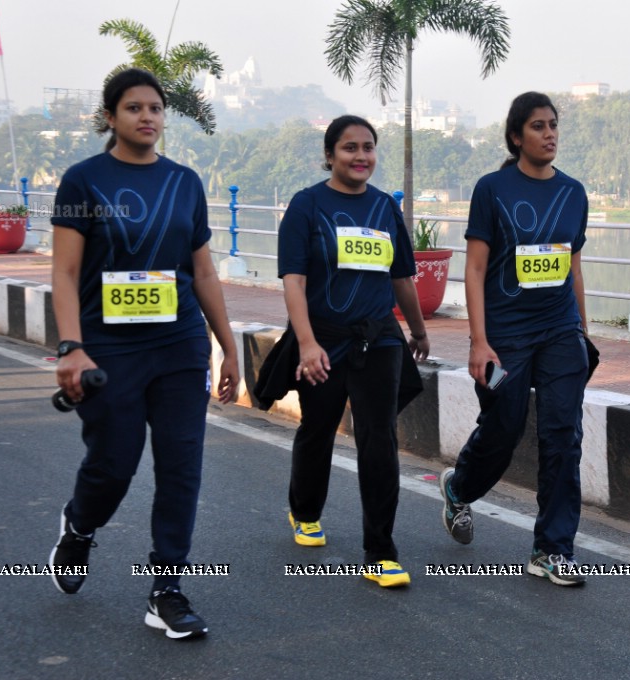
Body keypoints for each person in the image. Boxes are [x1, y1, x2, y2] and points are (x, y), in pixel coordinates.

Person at [48, 68, 239, 639]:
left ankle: (167, 591)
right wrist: (70, 347)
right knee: (114, 464)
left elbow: (202, 270)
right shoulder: (83, 181)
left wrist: (228, 346)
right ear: (110, 117)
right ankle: (79, 528)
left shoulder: (185, 182)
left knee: (182, 468)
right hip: (108, 349)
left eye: (155, 108)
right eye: (133, 108)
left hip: (179, 345)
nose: (147, 117)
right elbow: (64, 271)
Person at [439, 92, 590, 586]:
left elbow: (572, 265)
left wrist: (583, 331)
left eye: (553, 126)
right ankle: (459, 488)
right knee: (503, 430)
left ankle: (552, 549)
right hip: (505, 337)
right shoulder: (492, 189)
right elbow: (476, 268)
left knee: (563, 438)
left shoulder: (574, 193)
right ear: (515, 136)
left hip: (560, 331)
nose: (549, 134)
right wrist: (477, 341)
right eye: (538, 127)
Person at [277, 114, 429, 588]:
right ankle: (304, 511)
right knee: (318, 428)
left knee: (379, 437)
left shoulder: (385, 208)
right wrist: (306, 343)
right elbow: (294, 280)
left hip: (379, 337)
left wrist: (419, 333)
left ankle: (380, 551)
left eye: (368, 147)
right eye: (349, 148)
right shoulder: (306, 206)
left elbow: (402, 275)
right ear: (329, 155)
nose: (360, 156)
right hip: (322, 338)